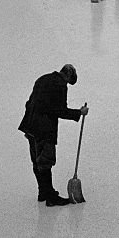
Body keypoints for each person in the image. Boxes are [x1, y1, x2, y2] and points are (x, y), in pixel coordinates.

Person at [17, 64, 88, 206]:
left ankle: (42, 192)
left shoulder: (42, 79)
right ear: (68, 76)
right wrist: (79, 112)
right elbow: (59, 110)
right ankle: (50, 197)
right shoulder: (60, 85)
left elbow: (29, 103)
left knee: (37, 161)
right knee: (45, 161)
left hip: (30, 126)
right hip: (44, 128)